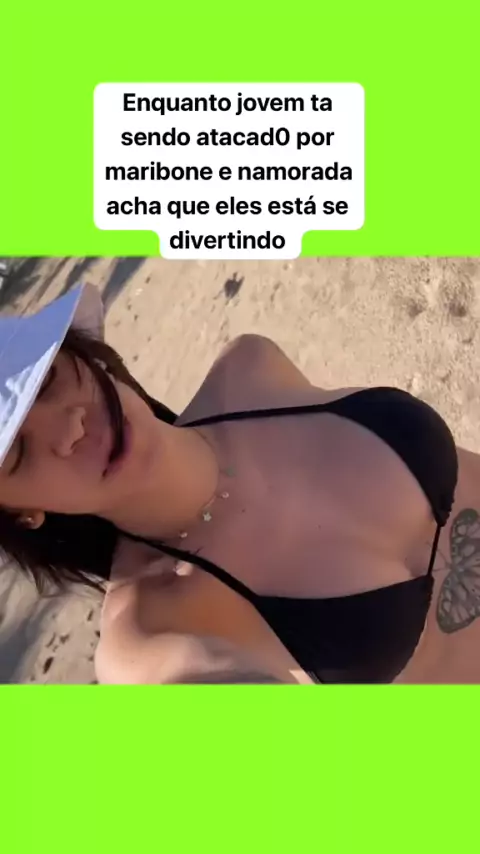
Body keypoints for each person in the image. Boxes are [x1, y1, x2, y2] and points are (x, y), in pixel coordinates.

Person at [0, 283, 479, 684]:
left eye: (47, 382)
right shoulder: (153, 636)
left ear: (86, 358)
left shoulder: (249, 369)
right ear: (23, 513)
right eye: (18, 452)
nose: (71, 428)